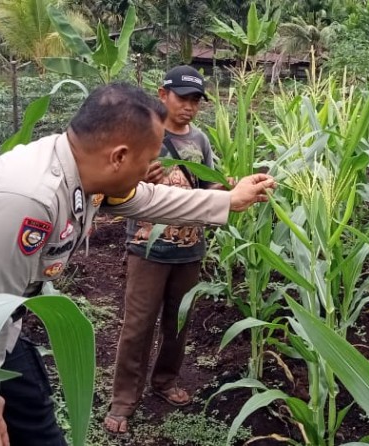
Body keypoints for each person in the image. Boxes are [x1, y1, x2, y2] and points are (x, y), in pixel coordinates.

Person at [0, 82, 276, 446]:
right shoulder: (27, 201)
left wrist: (228, 200)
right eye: (148, 161)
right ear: (119, 156)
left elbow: (146, 199)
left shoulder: (78, 166)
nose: (150, 172)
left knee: (35, 420)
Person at [104, 66, 224, 434]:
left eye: (195, 101)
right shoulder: (143, 135)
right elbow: (117, 186)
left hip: (189, 248)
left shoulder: (200, 141)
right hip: (146, 248)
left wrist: (231, 191)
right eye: (182, 98)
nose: (188, 107)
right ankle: (123, 401)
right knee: (137, 325)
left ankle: (165, 381)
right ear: (162, 94)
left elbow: (208, 189)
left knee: (179, 322)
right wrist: (140, 177)